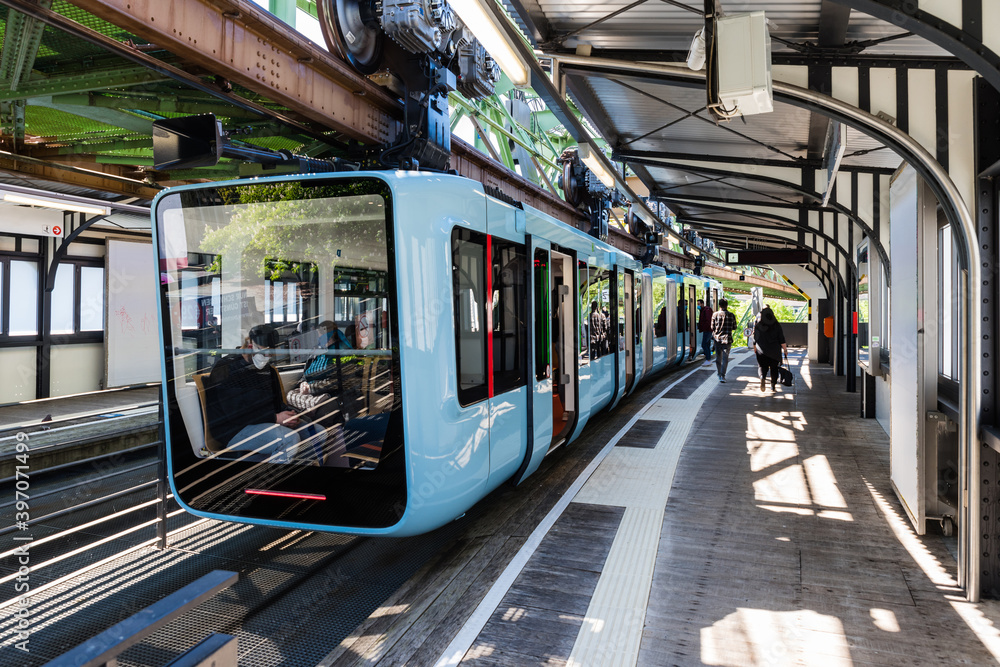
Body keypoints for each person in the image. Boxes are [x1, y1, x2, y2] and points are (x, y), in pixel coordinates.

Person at [204, 323, 322, 462]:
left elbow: (276, 403)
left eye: (270, 353)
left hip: (265, 421)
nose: (266, 357)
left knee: (319, 434)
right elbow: (235, 414)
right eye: (263, 352)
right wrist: (275, 418)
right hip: (233, 429)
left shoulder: (268, 371)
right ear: (249, 346)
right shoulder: (227, 368)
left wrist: (290, 414)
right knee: (289, 439)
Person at [753, 305, 787, 392]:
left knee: (762, 366)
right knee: (774, 368)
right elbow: (782, 339)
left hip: (761, 351)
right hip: (774, 351)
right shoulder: (777, 325)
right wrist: (785, 350)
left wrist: (755, 348)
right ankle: (773, 385)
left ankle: (762, 377)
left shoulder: (758, 326)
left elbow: (755, 339)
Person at [711, 298, 737, 383]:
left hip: (717, 339)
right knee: (725, 359)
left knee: (718, 358)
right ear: (727, 305)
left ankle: (719, 373)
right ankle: (723, 375)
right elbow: (734, 327)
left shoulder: (715, 315)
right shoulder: (731, 315)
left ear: (719, 305)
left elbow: (712, 327)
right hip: (727, 339)